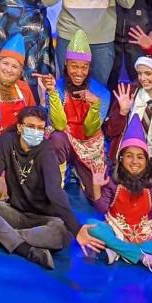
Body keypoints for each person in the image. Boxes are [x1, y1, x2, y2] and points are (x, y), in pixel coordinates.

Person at [0, 106, 81, 270]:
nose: (36, 132)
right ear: (20, 127)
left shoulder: (47, 151)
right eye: (31, 127)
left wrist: (77, 230)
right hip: (17, 212)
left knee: (62, 234)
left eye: (40, 128)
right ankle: (25, 249)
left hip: (46, 219)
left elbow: (54, 193)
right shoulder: (7, 142)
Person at [78, 114, 152, 275]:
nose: (135, 161)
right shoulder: (113, 179)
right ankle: (143, 257)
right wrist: (96, 187)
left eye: (140, 157)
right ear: (121, 158)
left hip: (143, 232)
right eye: (129, 156)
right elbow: (101, 209)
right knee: (93, 225)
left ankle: (118, 252)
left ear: (146, 161)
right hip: (117, 230)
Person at [49, 31, 110, 202]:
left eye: (84, 67)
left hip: (88, 146)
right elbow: (59, 125)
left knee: (97, 195)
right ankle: (57, 182)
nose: (79, 72)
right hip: (65, 141)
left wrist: (95, 104)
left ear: (90, 68)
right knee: (56, 137)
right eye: (74, 66)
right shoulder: (57, 87)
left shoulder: (102, 93)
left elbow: (91, 130)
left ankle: (77, 171)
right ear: (66, 64)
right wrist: (53, 94)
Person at [102, 58, 152, 184]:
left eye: (147, 73)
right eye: (139, 73)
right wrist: (122, 113)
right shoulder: (128, 94)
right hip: (124, 161)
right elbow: (110, 132)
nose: (142, 78)